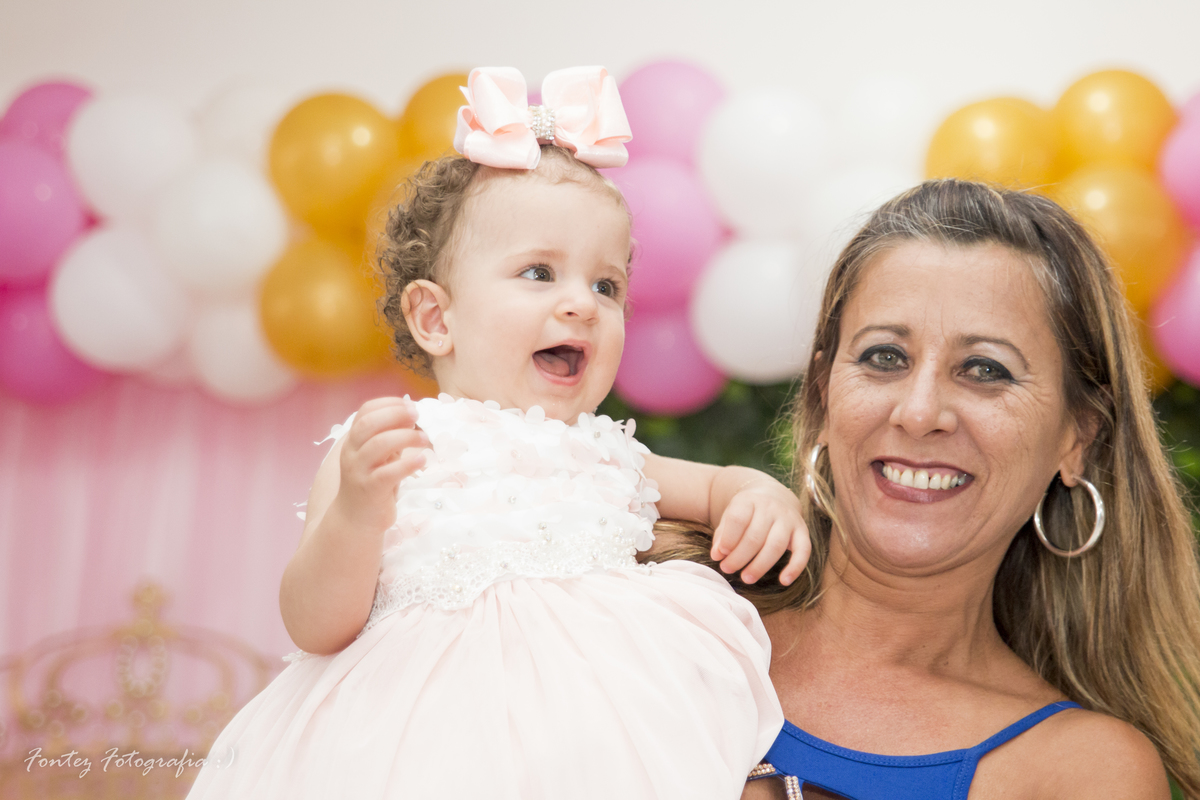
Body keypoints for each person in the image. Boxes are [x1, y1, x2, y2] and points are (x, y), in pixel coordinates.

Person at [186, 66, 802, 800]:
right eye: (539, 273)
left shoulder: (605, 453)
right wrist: (356, 512)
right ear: (435, 318)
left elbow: (716, 487)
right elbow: (315, 626)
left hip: (596, 733)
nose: (582, 304)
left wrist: (759, 493)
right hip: (420, 740)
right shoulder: (396, 446)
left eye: (606, 285)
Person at [653, 179, 1200, 799]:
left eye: (986, 369)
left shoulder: (1084, 773)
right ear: (823, 393)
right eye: (885, 357)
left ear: (1077, 437)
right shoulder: (667, 607)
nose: (919, 413)